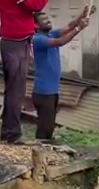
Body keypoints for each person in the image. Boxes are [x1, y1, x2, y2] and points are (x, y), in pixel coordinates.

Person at [0, 0, 59, 145]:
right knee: (16, 92)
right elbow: (36, 4)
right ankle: (12, 134)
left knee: (14, 91)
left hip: (16, 43)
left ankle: (8, 132)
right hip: (15, 45)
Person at [32, 8, 93, 141]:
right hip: (43, 92)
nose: (48, 21)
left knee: (49, 126)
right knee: (45, 128)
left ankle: (44, 152)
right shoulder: (37, 39)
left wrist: (82, 16)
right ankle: (39, 151)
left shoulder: (51, 34)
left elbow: (69, 27)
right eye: (44, 20)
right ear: (36, 26)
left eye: (48, 18)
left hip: (52, 91)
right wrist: (79, 29)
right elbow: (61, 42)